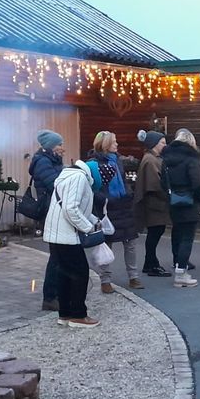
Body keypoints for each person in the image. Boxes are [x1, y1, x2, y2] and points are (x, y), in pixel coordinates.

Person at [42, 160, 100, 327]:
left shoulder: (69, 175)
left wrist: (95, 221)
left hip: (57, 233)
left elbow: (74, 207)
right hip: (66, 235)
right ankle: (78, 315)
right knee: (80, 273)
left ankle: (65, 314)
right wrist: (88, 228)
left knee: (65, 274)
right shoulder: (79, 178)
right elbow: (71, 209)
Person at [87, 131, 143, 293]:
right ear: (104, 144)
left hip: (124, 205)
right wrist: (104, 199)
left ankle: (133, 276)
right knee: (106, 243)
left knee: (130, 243)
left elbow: (125, 177)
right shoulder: (93, 163)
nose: (117, 144)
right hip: (107, 208)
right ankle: (105, 279)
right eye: (114, 142)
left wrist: (128, 193)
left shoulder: (118, 160)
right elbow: (92, 186)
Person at [161, 128, 200, 288]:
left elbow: (163, 182)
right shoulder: (191, 158)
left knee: (177, 234)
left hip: (174, 202)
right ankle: (181, 273)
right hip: (190, 202)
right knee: (187, 238)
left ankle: (177, 265)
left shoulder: (166, 159)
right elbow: (197, 182)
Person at [29, 129, 65, 312]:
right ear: (50, 146)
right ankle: (50, 297)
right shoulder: (43, 162)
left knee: (59, 254)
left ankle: (57, 294)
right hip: (50, 211)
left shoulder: (52, 160)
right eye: (59, 145)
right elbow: (55, 184)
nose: (62, 148)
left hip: (55, 210)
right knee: (56, 255)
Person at [133, 129, 171, 277]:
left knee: (156, 233)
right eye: (162, 142)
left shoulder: (155, 158)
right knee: (154, 233)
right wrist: (167, 194)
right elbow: (154, 183)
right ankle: (151, 264)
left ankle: (151, 262)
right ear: (154, 144)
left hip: (156, 203)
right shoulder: (150, 160)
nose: (164, 145)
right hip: (154, 204)